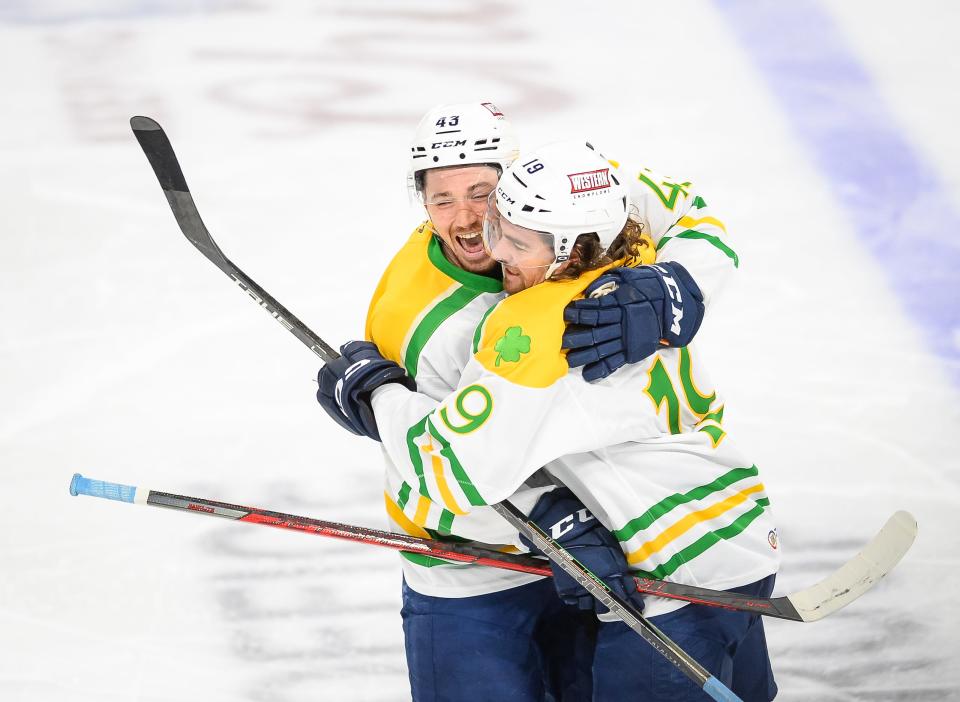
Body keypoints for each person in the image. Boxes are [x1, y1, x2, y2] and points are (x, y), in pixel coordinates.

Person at [320, 139, 779, 701]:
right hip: (741, 542)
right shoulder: (640, 261)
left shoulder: (536, 323)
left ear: (568, 249)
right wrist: (679, 280)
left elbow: (451, 472)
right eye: (498, 230)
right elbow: (685, 208)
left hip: (667, 585)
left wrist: (379, 394)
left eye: (515, 241)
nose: (498, 254)